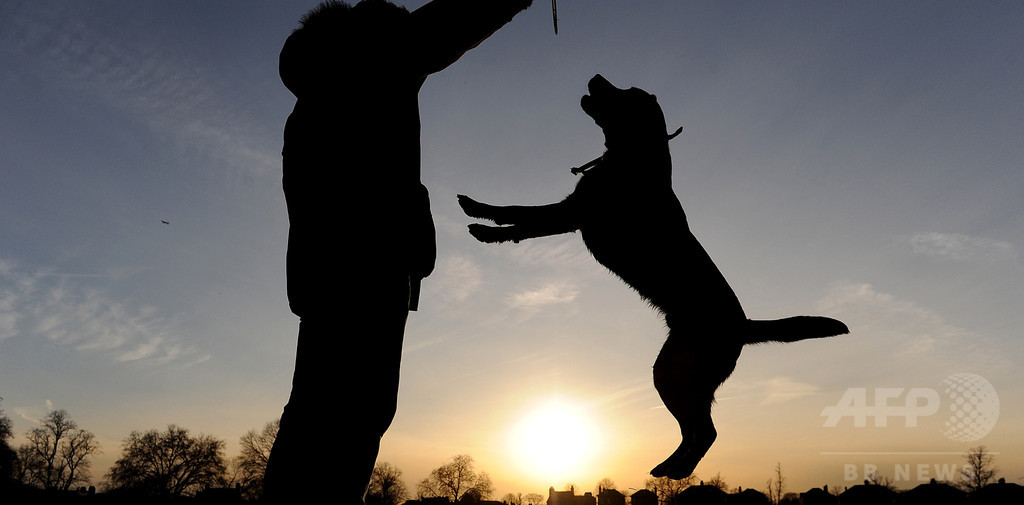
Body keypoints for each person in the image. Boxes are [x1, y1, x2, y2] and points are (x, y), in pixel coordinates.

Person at [263, 1, 533, 503]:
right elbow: (452, 22)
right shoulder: (372, 62)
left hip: (330, 284)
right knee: (352, 416)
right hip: (369, 276)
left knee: (324, 415)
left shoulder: (306, 115)